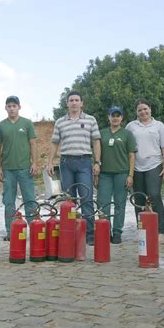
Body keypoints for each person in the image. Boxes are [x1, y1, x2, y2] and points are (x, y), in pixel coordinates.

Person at [47, 91, 101, 245]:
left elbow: (96, 142)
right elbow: (54, 143)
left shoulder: (91, 120)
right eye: (71, 100)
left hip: (84, 162)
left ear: (81, 103)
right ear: (67, 103)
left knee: (86, 199)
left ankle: (90, 236)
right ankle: (69, 235)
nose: (74, 103)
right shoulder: (60, 122)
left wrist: (97, 162)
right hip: (66, 163)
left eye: (77, 100)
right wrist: (50, 162)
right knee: (68, 201)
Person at [125, 98, 164, 244]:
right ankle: (142, 231)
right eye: (140, 110)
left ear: (150, 109)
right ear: (136, 112)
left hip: (154, 164)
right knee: (139, 199)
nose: (143, 112)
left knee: (154, 196)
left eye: (145, 109)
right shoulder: (131, 126)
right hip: (137, 167)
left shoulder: (159, 126)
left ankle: (161, 231)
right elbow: (126, 147)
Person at [0, 95, 38, 241]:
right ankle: (10, 231)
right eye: (9, 106)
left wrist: (35, 163)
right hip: (8, 170)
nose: (12, 108)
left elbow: (33, 144)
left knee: (30, 200)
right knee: (8, 201)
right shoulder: (1, 126)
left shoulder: (27, 124)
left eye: (14, 106)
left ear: (19, 107)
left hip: (25, 169)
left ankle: (34, 228)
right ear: (5, 108)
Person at [96, 106, 136, 244]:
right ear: (108, 117)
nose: (115, 118)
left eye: (118, 116)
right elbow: (97, 154)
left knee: (120, 204)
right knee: (103, 203)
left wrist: (130, 175)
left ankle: (117, 232)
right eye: (113, 115)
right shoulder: (101, 133)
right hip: (105, 174)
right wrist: (96, 174)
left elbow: (132, 155)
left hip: (122, 173)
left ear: (122, 118)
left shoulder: (127, 134)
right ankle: (105, 230)